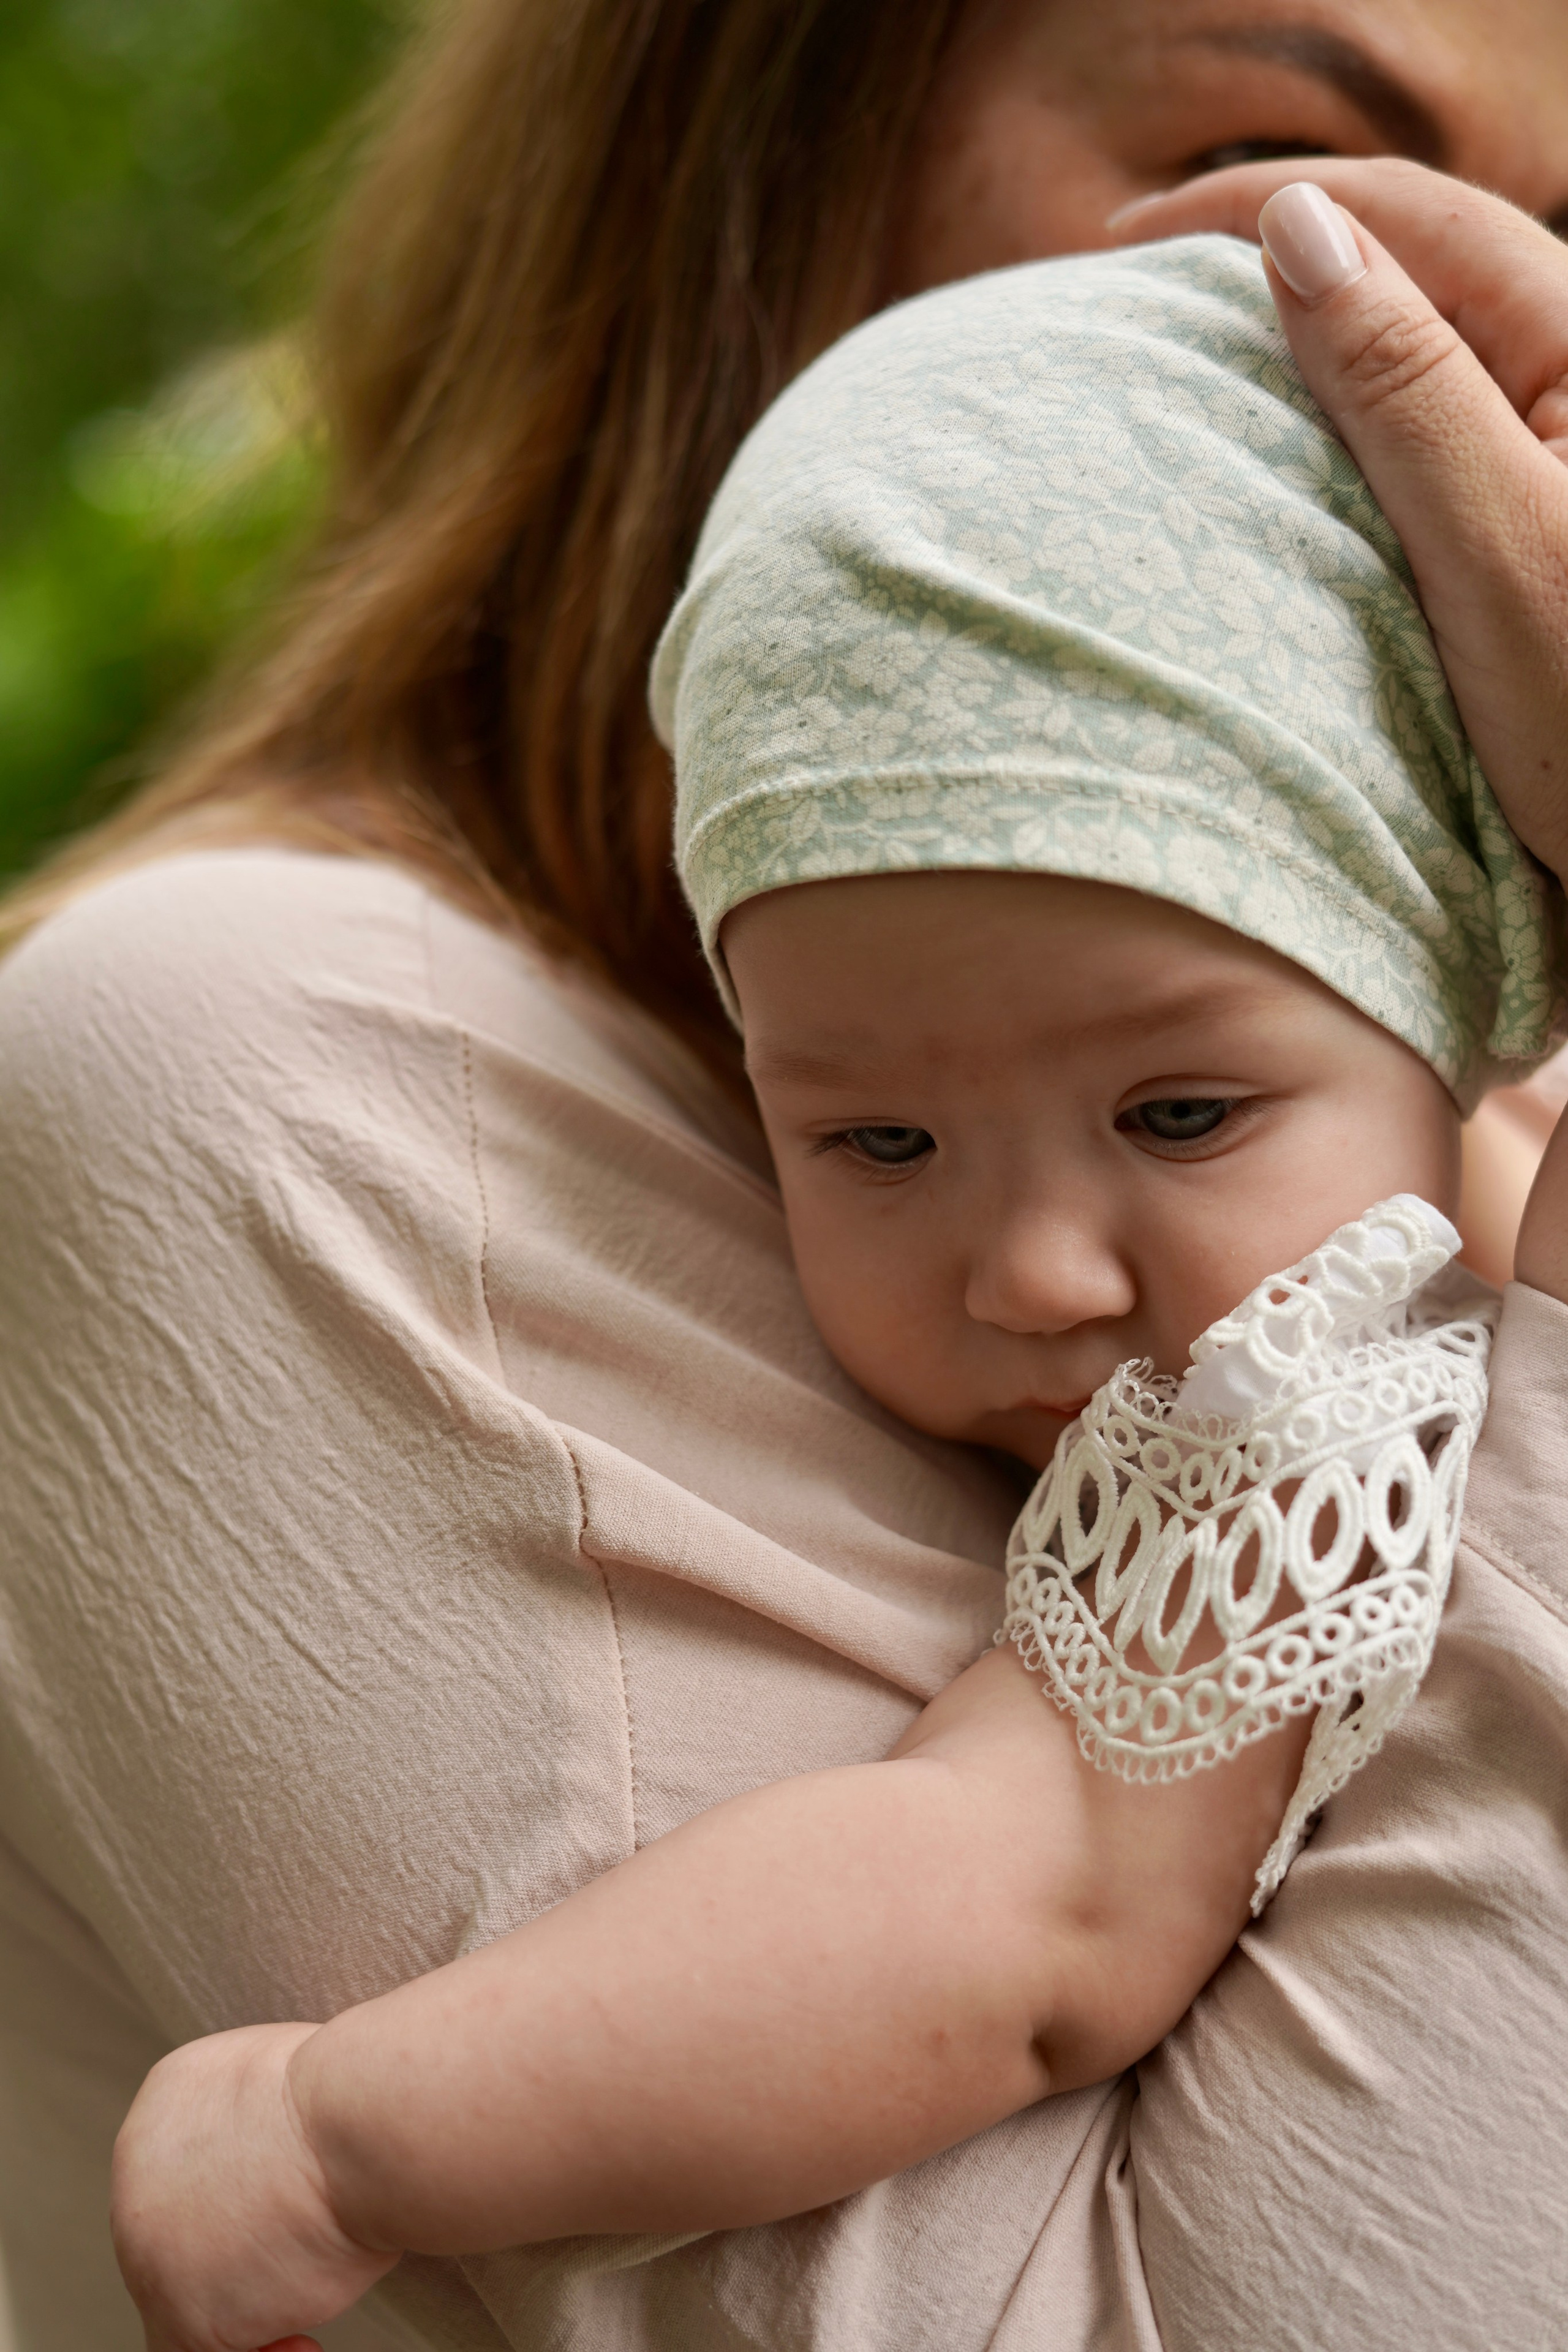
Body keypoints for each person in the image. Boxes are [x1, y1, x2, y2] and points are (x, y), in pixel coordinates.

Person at [3, 0, 1568, 2329]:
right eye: (1284, 182)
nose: (1035, 1267)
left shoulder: (1360, 1331)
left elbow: (1002, 1905)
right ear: (740, 145)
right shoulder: (278, 1075)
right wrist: (363, 2135)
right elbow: (987, 1904)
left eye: (1179, 1114)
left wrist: (343, 2134)